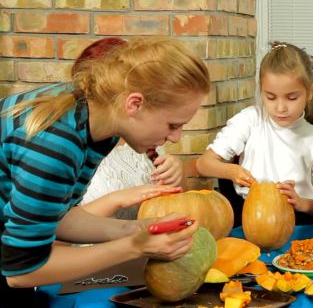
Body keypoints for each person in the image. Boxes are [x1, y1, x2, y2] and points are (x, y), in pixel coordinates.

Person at [0, 36, 210, 305]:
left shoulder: (99, 124)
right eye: (172, 125)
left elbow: (60, 216)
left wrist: (135, 228)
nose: (176, 138)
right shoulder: (56, 143)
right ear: (135, 104)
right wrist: (134, 247)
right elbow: (22, 271)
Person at [196, 42, 313, 226]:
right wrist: (232, 171)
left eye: (292, 98)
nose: (280, 107)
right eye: (270, 97)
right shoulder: (251, 120)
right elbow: (203, 164)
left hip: (301, 224)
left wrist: (302, 203)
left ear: (310, 92)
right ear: (261, 90)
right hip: (248, 220)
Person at [71, 38, 185, 219]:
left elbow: (173, 205)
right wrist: (116, 200)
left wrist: (176, 175)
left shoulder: (145, 143)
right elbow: (57, 228)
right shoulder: (71, 150)